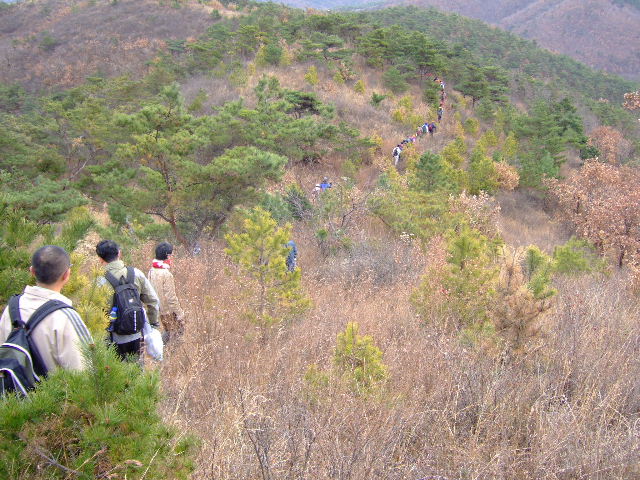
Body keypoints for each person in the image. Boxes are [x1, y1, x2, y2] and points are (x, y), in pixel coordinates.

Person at [0, 245, 93, 372]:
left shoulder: (11, 308)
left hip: (13, 384)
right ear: (66, 275)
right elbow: (85, 372)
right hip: (51, 384)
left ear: (32, 271)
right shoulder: (66, 317)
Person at [96, 240, 159, 361]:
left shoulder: (99, 282)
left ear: (100, 259)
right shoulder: (136, 273)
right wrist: (153, 324)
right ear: (119, 253)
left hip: (113, 339)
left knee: (116, 372)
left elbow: (96, 312)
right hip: (137, 333)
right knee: (137, 369)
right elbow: (153, 301)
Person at [148, 242, 185, 344]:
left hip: (159, 309)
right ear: (168, 256)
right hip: (169, 311)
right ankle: (162, 350)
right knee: (177, 333)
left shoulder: (152, 270)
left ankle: (161, 349)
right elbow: (171, 297)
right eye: (171, 254)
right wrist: (180, 313)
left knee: (168, 332)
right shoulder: (166, 274)